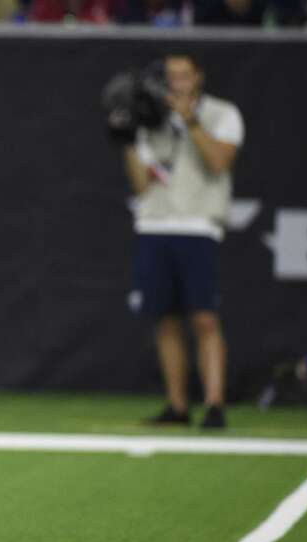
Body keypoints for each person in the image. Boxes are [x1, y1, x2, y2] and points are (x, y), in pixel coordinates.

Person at [121, 53, 242, 429]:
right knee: (165, 320)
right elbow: (141, 185)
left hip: (198, 225)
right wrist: (126, 136)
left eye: (183, 75)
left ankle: (214, 404)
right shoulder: (149, 119)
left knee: (204, 317)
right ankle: (177, 406)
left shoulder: (222, 113)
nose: (176, 83)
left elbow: (219, 161)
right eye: (170, 76)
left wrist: (189, 119)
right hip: (156, 224)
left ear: (198, 78)